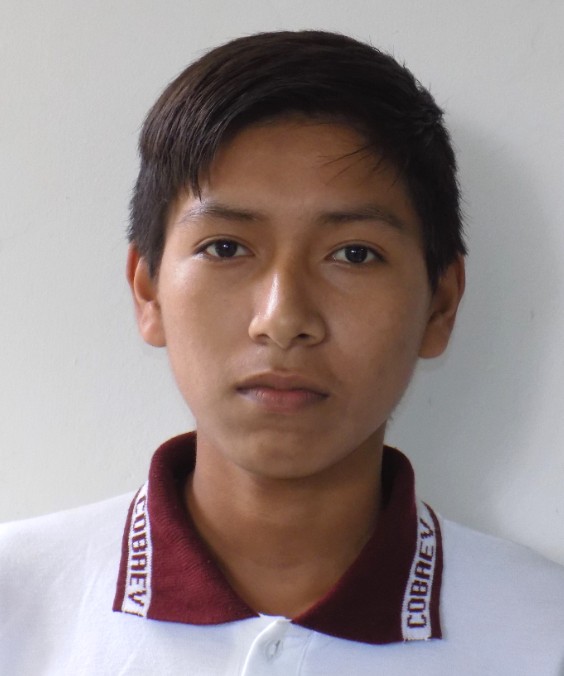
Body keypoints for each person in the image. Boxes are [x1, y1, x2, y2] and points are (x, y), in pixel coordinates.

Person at [1, 30, 563, 675]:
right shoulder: (17, 605)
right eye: (225, 248)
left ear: (440, 305)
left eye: (354, 254)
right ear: (148, 290)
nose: (283, 319)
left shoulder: (543, 635)